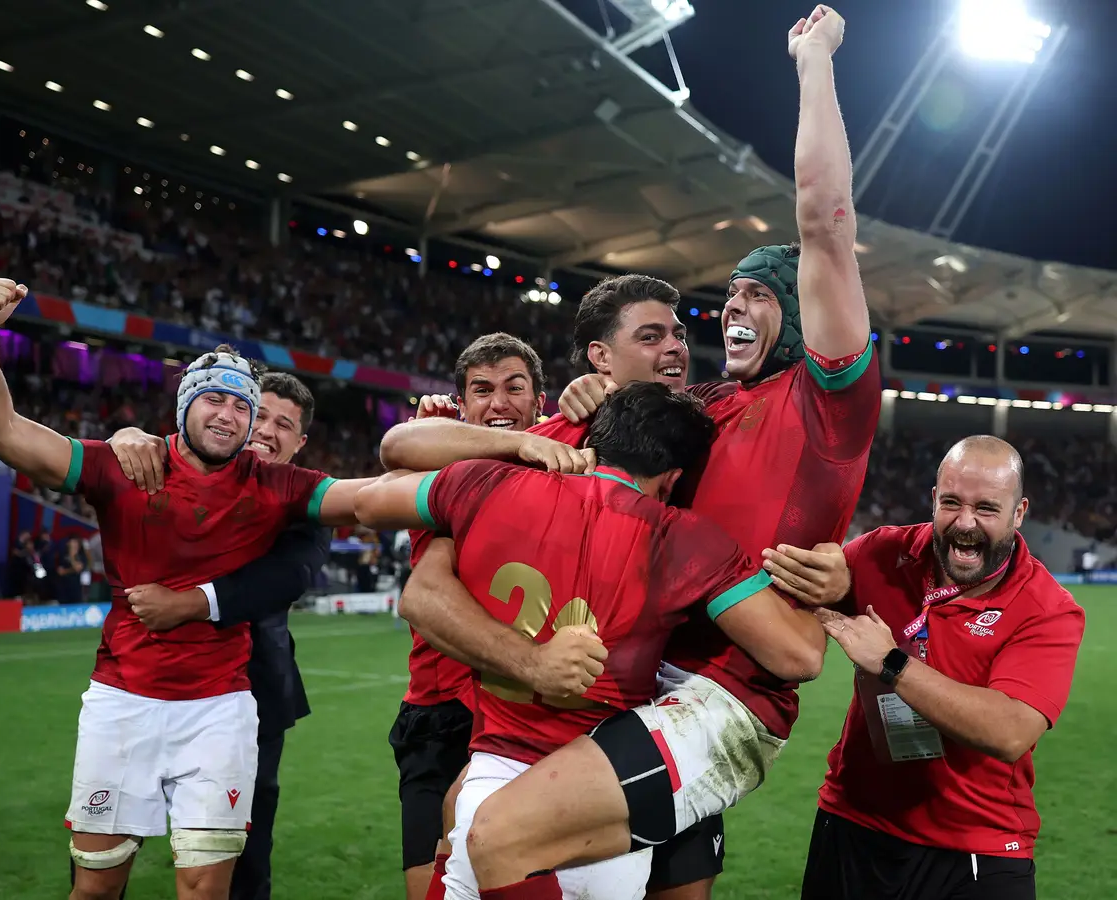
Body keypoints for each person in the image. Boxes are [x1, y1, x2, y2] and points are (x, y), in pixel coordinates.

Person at [381, 7, 879, 897]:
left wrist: (814, 63)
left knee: (493, 839)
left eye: (761, 296)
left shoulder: (823, 406)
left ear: (804, 317)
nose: (733, 308)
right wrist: (569, 403)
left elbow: (825, 224)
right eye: (726, 294)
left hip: (721, 696)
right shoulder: (693, 409)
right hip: (636, 675)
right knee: (473, 827)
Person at [0, 276, 369, 900]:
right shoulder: (125, 466)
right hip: (125, 698)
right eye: (217, 401)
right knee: (96, 885)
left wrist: (466, 465)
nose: (237, 420)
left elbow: (353, 517)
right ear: (183, 408)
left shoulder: (287, 491)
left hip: (236, 703)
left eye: (247, 408)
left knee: (222, 883)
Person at [357, 382, 827, 900]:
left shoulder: (485, 482)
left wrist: (448, 540)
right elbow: (796, 656)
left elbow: (370, 503)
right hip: (601, 804)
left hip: (492, 777)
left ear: (596, 441)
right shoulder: (681, 537)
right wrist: (833, 590)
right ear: (671, 479)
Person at [780, 436, 1085, 900]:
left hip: (975, 848)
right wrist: (822, 564)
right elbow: (810, 577)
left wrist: (892, 663)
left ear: (1019, 513)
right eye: (951, 503)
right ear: (933, 499)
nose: (965, 524)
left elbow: (1010, 731)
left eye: (986, 508)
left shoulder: (1047, 609)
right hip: (854, 822)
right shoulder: (882, 553)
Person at [81, 371, 333, 900]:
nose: (266, 430)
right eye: (257, 414)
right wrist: (122, 437)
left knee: (242, 859)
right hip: (142, 682)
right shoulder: (176, 464)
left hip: (253, 695)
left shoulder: (304, 499)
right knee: (104, 861)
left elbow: (289, 578)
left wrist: (192, 603)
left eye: (284, 425)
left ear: (300, 443)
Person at [391, 332, 559, 900]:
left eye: (515, 388)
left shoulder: (563, 466)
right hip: (438, 710)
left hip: (524, 709)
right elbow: (395, 456)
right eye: (481, 390)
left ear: (541, 400)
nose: (499, 404)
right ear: (460, 404)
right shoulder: (440, 468)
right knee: (426, 889)